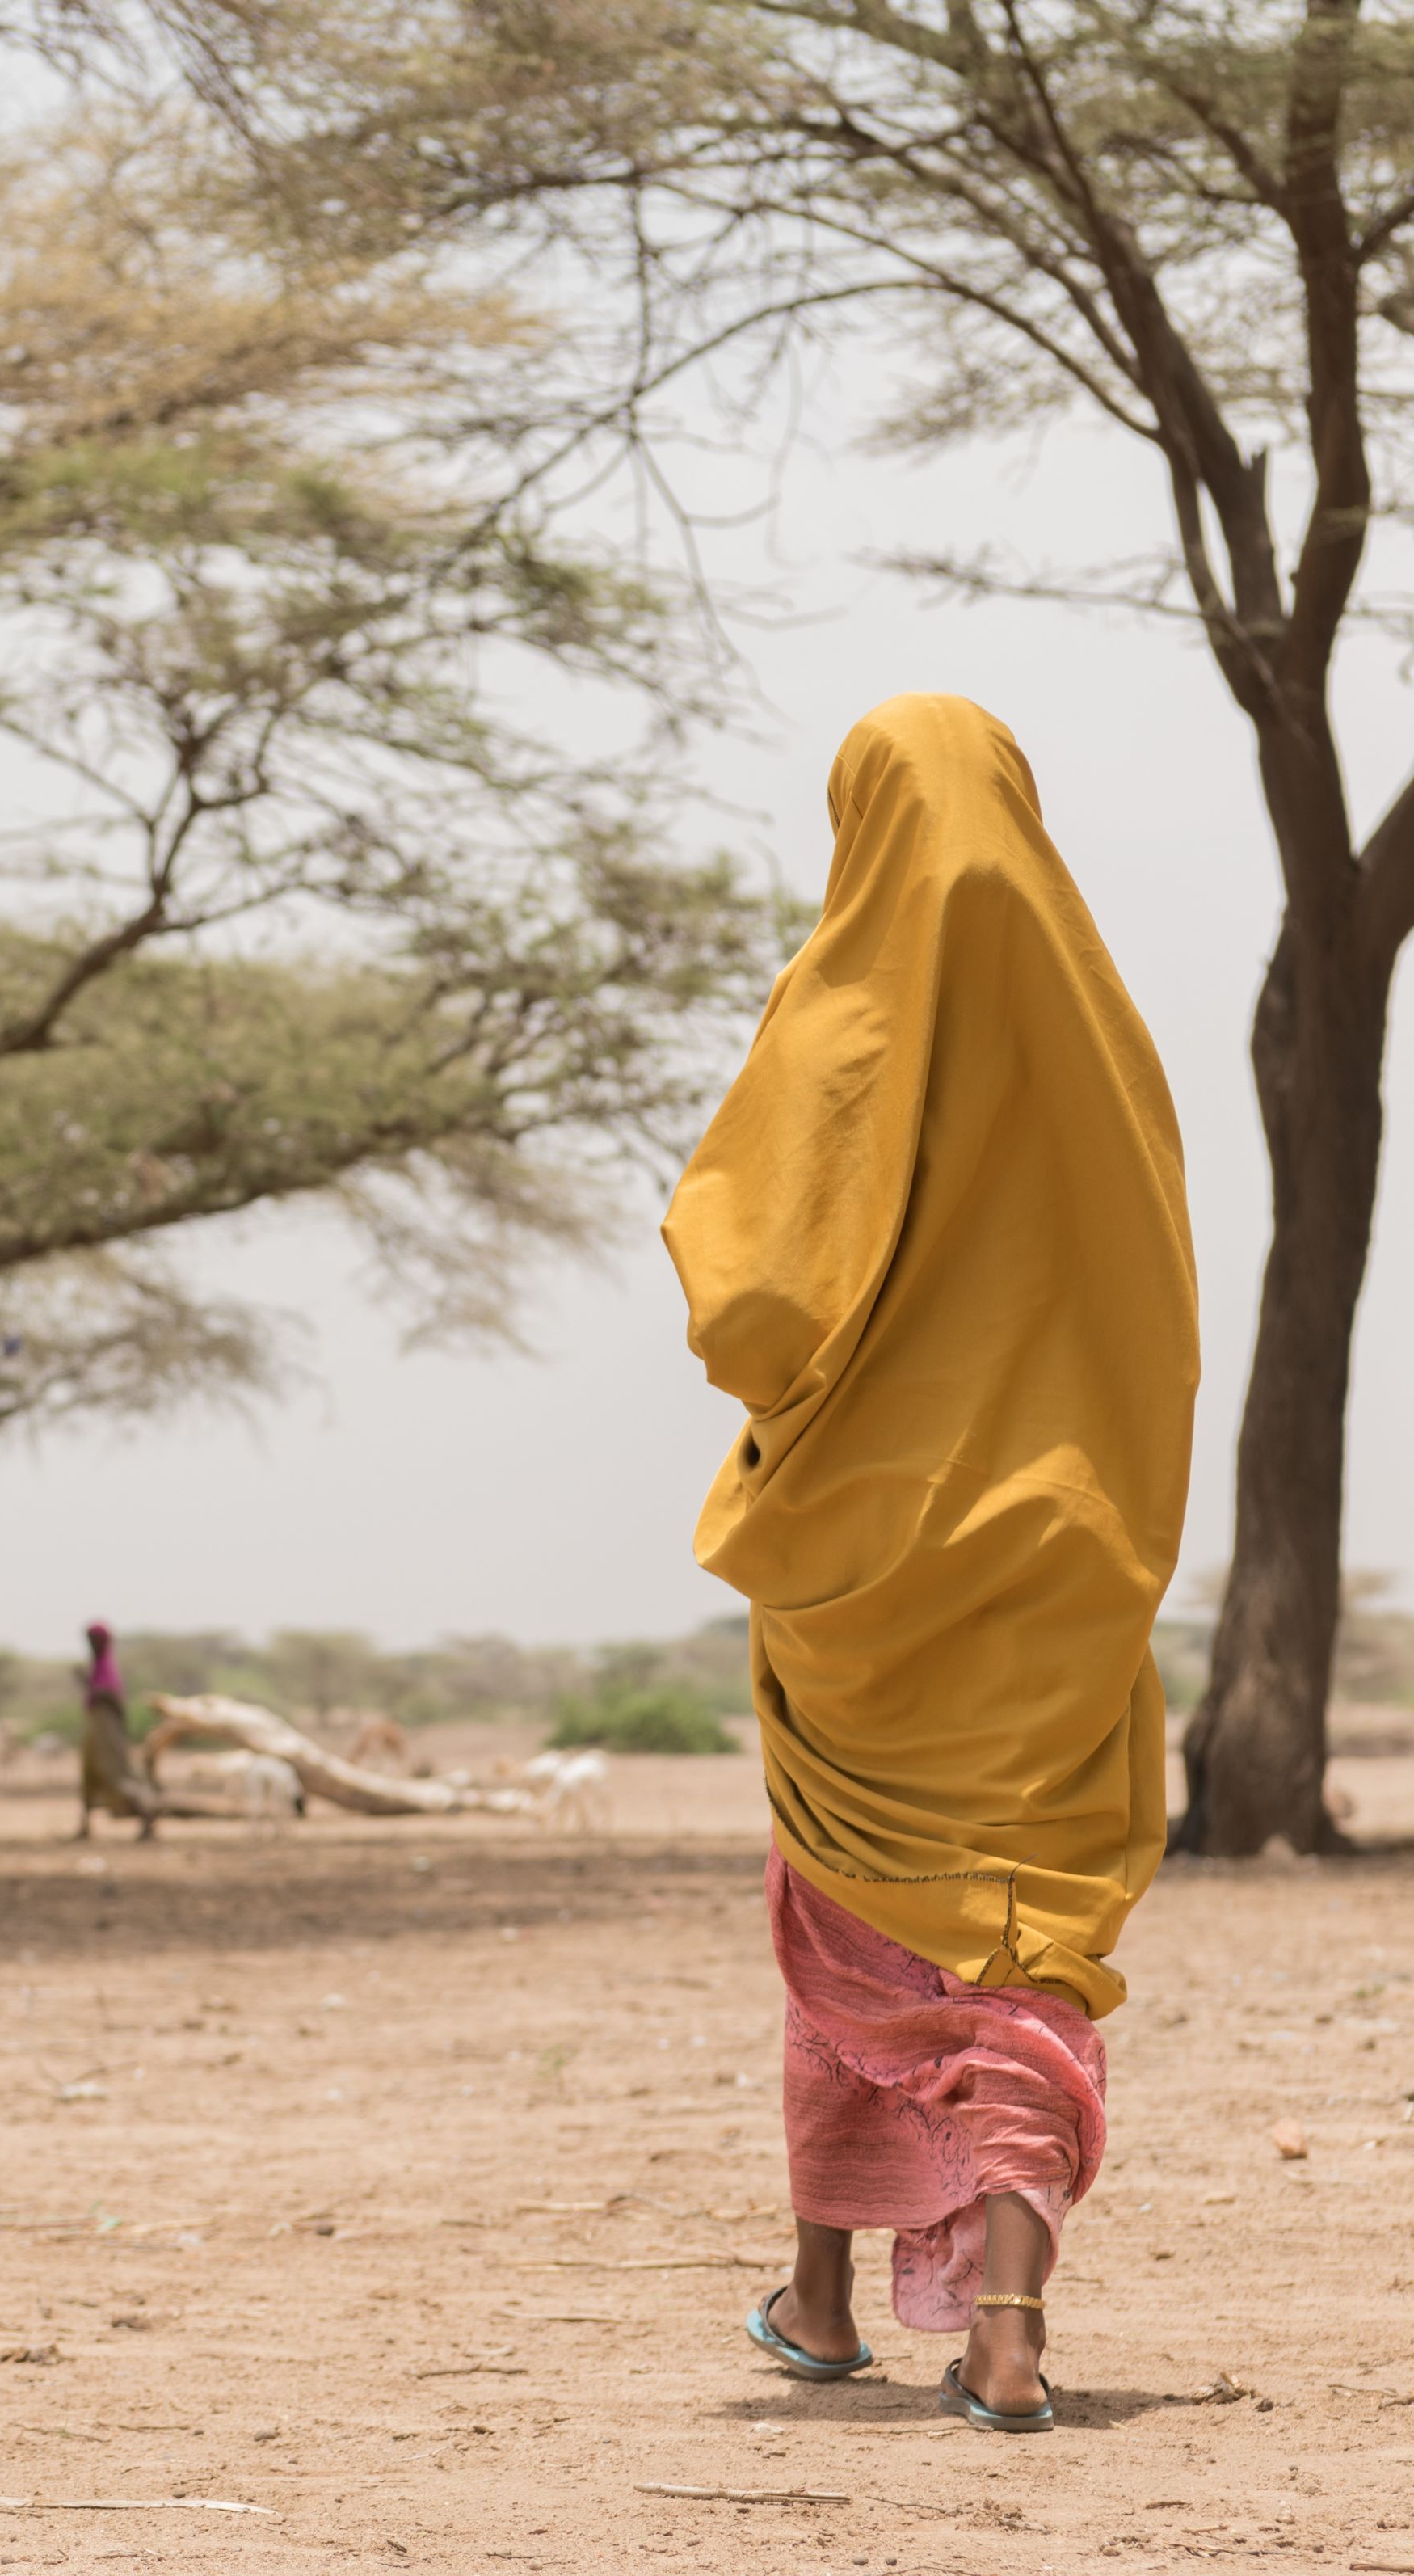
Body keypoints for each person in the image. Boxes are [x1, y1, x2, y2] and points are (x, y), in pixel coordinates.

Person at [662, 696, 1196, 2436]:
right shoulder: (1109, 1044)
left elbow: (747, 1297)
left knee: (855, 1923)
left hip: (870, 1556)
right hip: (1059, 1547)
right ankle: (1006, 2329)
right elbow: (1159, 1322)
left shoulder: (841, 1019)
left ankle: (819, 2296)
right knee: (1018, 1933)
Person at [72, 1621, 157, 1841]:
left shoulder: (107, 1667)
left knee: (118, 1774)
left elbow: (110, 1698)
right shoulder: (98, 1666)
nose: (90, 1644)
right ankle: (85, 1827)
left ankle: (147, 1817)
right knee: (89, 1775)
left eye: (94, 1640)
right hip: (95, 1729)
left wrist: (87, 1684)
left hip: (107, 1731)